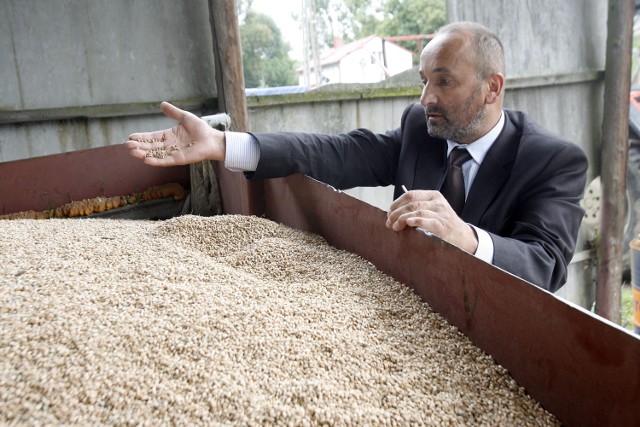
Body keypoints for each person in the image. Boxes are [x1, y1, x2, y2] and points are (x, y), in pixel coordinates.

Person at [126, 21, 588, 293]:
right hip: (407, 307)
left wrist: (467, 237)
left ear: (493, 88)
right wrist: (224, 144)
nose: (426, 97)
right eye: (423, 80)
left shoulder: (553, 161)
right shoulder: (420, 128)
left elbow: (546, 265)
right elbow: (340, 153)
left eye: (443, 82)